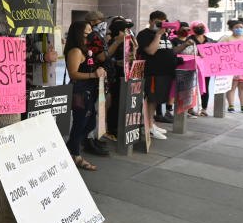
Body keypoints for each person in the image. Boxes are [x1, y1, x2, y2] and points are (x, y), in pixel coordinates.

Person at [136, 10, 191, 140]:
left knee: (157, 101)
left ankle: (151, 124)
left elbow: (171, 51)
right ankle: (148, 128)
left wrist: (184, 45)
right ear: (150, 21)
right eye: (158, 22)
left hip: (166, 72)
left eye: (164, 22)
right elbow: (150, 51)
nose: (162, 25)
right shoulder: (144, 34)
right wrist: (158, 35)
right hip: (154, 72)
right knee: (152, 100)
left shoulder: (165, 35)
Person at [64, 20, 106, 171]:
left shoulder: (87, 48)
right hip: (80, 92)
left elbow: (101, 59)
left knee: (90, 124)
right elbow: (73, 74)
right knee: (80, 124)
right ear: (79, 32)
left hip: (89, 91)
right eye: (87, 30)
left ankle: (69, 149)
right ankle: (76, 155)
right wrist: (93, 74)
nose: (90, 33)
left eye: (91, 30)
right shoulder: (75, 51)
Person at [84, 11, 125, 155]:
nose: (103, 23)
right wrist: (118, 42)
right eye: (100, 20)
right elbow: (103, 57)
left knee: (97, 109)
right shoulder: (93, 36)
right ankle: (88, 139)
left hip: (100, 77)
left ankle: (93, 137)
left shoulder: (99, 36)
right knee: (91, 110)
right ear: (94, 22)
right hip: (93, 77)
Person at [185, 21, 214, 116]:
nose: (199, 28)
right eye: (197, 27)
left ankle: (204, 108)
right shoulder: (189, 40)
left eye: (201, 26)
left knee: (205, 87)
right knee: (191, 87)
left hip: (206, 68)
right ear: (193, 28)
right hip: (192, 67)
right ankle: (190, 108)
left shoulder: (210, 40)